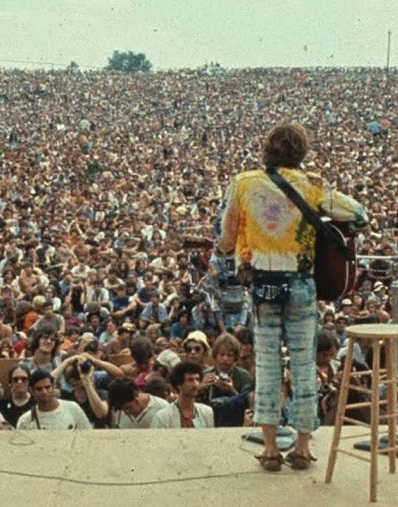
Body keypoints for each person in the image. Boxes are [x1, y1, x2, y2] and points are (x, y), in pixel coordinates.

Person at [215, 122, 367, 471]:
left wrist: (229, 250)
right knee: (303, 365)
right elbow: (359, 214)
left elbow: (225, 237)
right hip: (301, 285)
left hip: (263, 284)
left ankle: (269, 449)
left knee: (267, 366)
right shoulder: (311, 184)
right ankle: (301, 447)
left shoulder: (244, 183)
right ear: (302, 151)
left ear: (267, 148)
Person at [16, 369, 92, 430]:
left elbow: (88, 435)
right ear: (32, 391)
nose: (44, 392)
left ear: (53, 387)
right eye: (39, 389)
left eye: (47, 387)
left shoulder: (73, 408)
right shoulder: (25, 420)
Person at [150, 361, 214, 429]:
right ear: (178, 384)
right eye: (190, 380)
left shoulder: (207, 412)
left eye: (197, 379)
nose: (196, 384)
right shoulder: (163, 417)